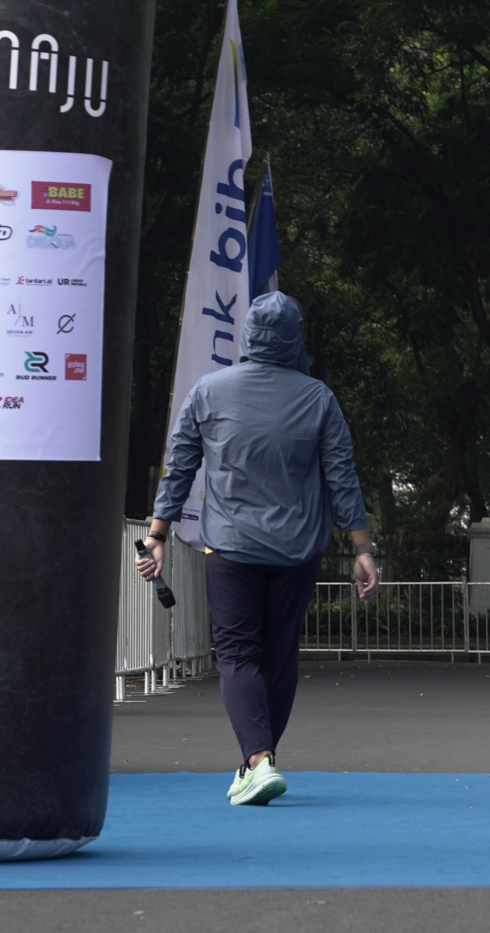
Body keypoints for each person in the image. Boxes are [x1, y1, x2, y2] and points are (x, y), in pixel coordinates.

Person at [137, 292, 377, 804]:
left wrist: (156, 536)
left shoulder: (208, 391)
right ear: (295, 338)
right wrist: (362, 549)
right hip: (297, 552)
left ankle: (257, 761)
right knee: (279, 658)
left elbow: (179, 469)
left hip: (231, 550)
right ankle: (260, 761)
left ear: (248, 335)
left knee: (237, 656)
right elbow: (342, 477)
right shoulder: (319, 398)